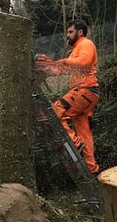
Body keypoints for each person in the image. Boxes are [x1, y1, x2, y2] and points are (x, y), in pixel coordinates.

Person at [35, 19, 101, 174]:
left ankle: (75, 144)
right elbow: (63, 70)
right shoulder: (76, 50)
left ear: (80, 32)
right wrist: (47, 68)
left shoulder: (85, 44)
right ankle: (92, 168)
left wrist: (65, 61)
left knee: (54, 112)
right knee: (84, 132)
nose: (67, 35)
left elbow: (84, 61)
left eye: (70, 32)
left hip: (85, 89)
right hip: (86, 93)